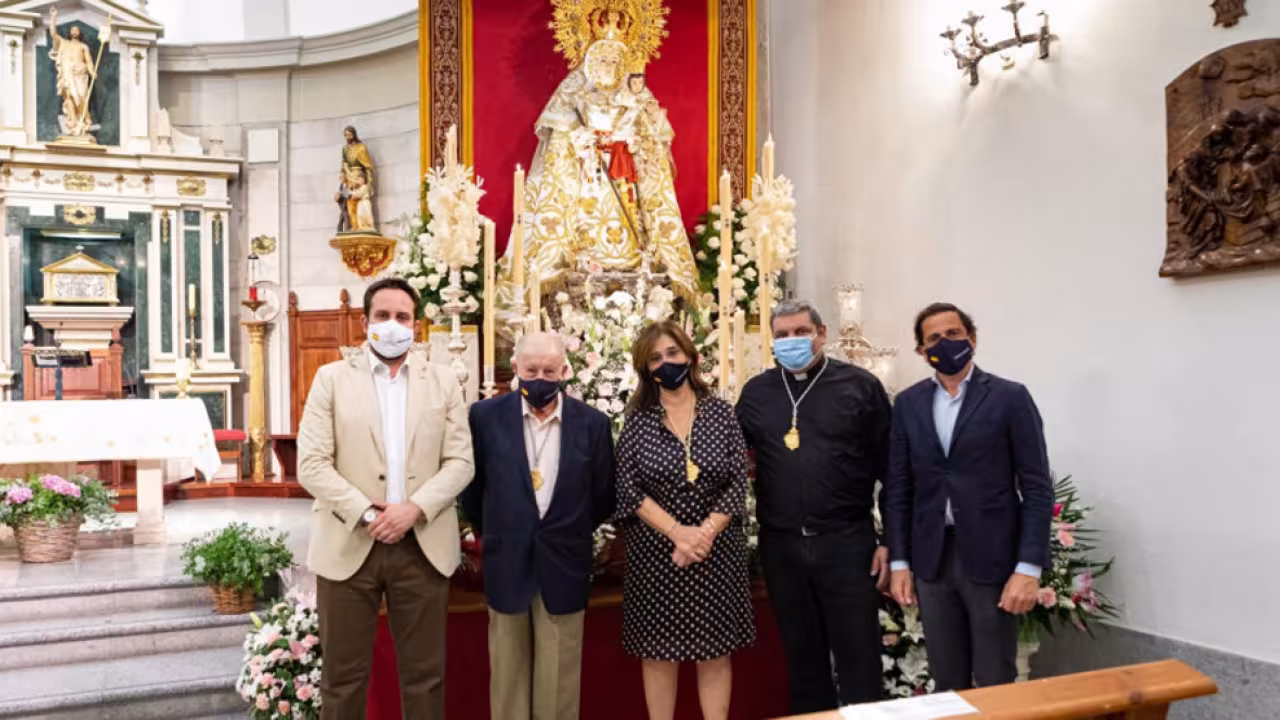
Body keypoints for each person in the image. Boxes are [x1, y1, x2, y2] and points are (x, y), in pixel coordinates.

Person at [297, 277, 474, 719]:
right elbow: (312, 464)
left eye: (402, 317)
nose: (392, 325)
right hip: (348, 543)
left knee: (425, 677)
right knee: (342, 678)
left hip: (421, 544)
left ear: (416, 325)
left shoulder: (444, 382)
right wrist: (364, 512)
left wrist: (413, 509)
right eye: (382, 316)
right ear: (364, 322)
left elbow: (460, 462)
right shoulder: (330, 379)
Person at [884, 302, 1053, 691]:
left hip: (991, 558)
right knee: (947, 681)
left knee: (996, 678)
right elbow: (899, 488)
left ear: (972, 338)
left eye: (954, 334)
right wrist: (900, 561)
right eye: (934, 338)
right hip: (932, 559)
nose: (946, 342)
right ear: (921, 351)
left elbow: (1037, 488)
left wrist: (1028, 569)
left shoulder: (1010, 398)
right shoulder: (908, 404)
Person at [735, 299, 892, 712]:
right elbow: (730, 466)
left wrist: (891, 539)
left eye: (801, 332)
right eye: (782, 335)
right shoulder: (755, 394)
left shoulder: (860, 386)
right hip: (782, 546)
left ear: (821, 334)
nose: (792, 341)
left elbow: (892, 468)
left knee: (860, 658)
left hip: (846, 543)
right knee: (803, 662)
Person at [460, 332, 616, 720]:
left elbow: (602, 496)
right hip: (506, 559)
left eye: (550, 370)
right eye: (531, 369)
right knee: (508, 681)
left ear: (565, 370)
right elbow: (472, 490)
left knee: (559, 683)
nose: (540, 377)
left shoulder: (593, 424)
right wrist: (500, 528)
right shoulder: (484, 417)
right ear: (515, 369)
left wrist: (567, 531)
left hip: (565, 562)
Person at [615, 321, 755, 720]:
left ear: (690, 356)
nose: (666, 363)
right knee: (658, 654)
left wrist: (704, 535)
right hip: (657, 553)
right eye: (656, 358)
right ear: (646, 368)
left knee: (714, 653)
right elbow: (627, 488)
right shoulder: (639, 418)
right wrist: (679, 534)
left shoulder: (720, 412)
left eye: (672, 354)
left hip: (715, 552)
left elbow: (735, 480)